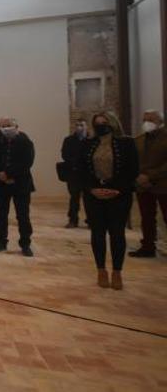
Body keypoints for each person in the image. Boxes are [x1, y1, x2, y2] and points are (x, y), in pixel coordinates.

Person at [79, 112, 138, 290]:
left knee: (117, 233)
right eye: (97, 124)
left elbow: (132, 169)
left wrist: (116, 189)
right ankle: (101, 270)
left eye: (104, 123)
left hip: (118, 194)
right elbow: (82, 170)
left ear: (112, 123)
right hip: (94, 195)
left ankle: (117, 271)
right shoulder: (88, 143)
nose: (101, 126)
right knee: (97, 233)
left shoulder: (126, 143)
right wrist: (92, 189)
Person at [0, 117, 36, 256]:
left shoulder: (25, 140)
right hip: (0, 183)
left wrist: (9, 174)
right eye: (3, 125)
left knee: (23, 215)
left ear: (16, 126)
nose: (6, 128)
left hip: (20, 183)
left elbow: (28, 161)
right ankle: (2, 241)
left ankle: (25, 243)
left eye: (9, 125)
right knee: (1, 214)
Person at [129, 110, 167, 258]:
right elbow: (133, 161)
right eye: (145, 120)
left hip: (163, 184)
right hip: (143, 186)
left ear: (160, 122)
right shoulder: (138, 140)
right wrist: (138, 177)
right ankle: (148, 246)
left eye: (151, 120)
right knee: (147, 217)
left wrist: (150, 176)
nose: (147, 123)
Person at [61, 118, 89, 228]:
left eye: (81, 125)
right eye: (77, 125)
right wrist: (75, 162)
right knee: (74, 198)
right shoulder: (69, 140)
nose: (79, 127)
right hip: (74, 173)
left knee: (89, 199)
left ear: (86, 126)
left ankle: (91, 220)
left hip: (88, 174)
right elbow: (65, 155)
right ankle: (73, 219)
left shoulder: (91, 139)